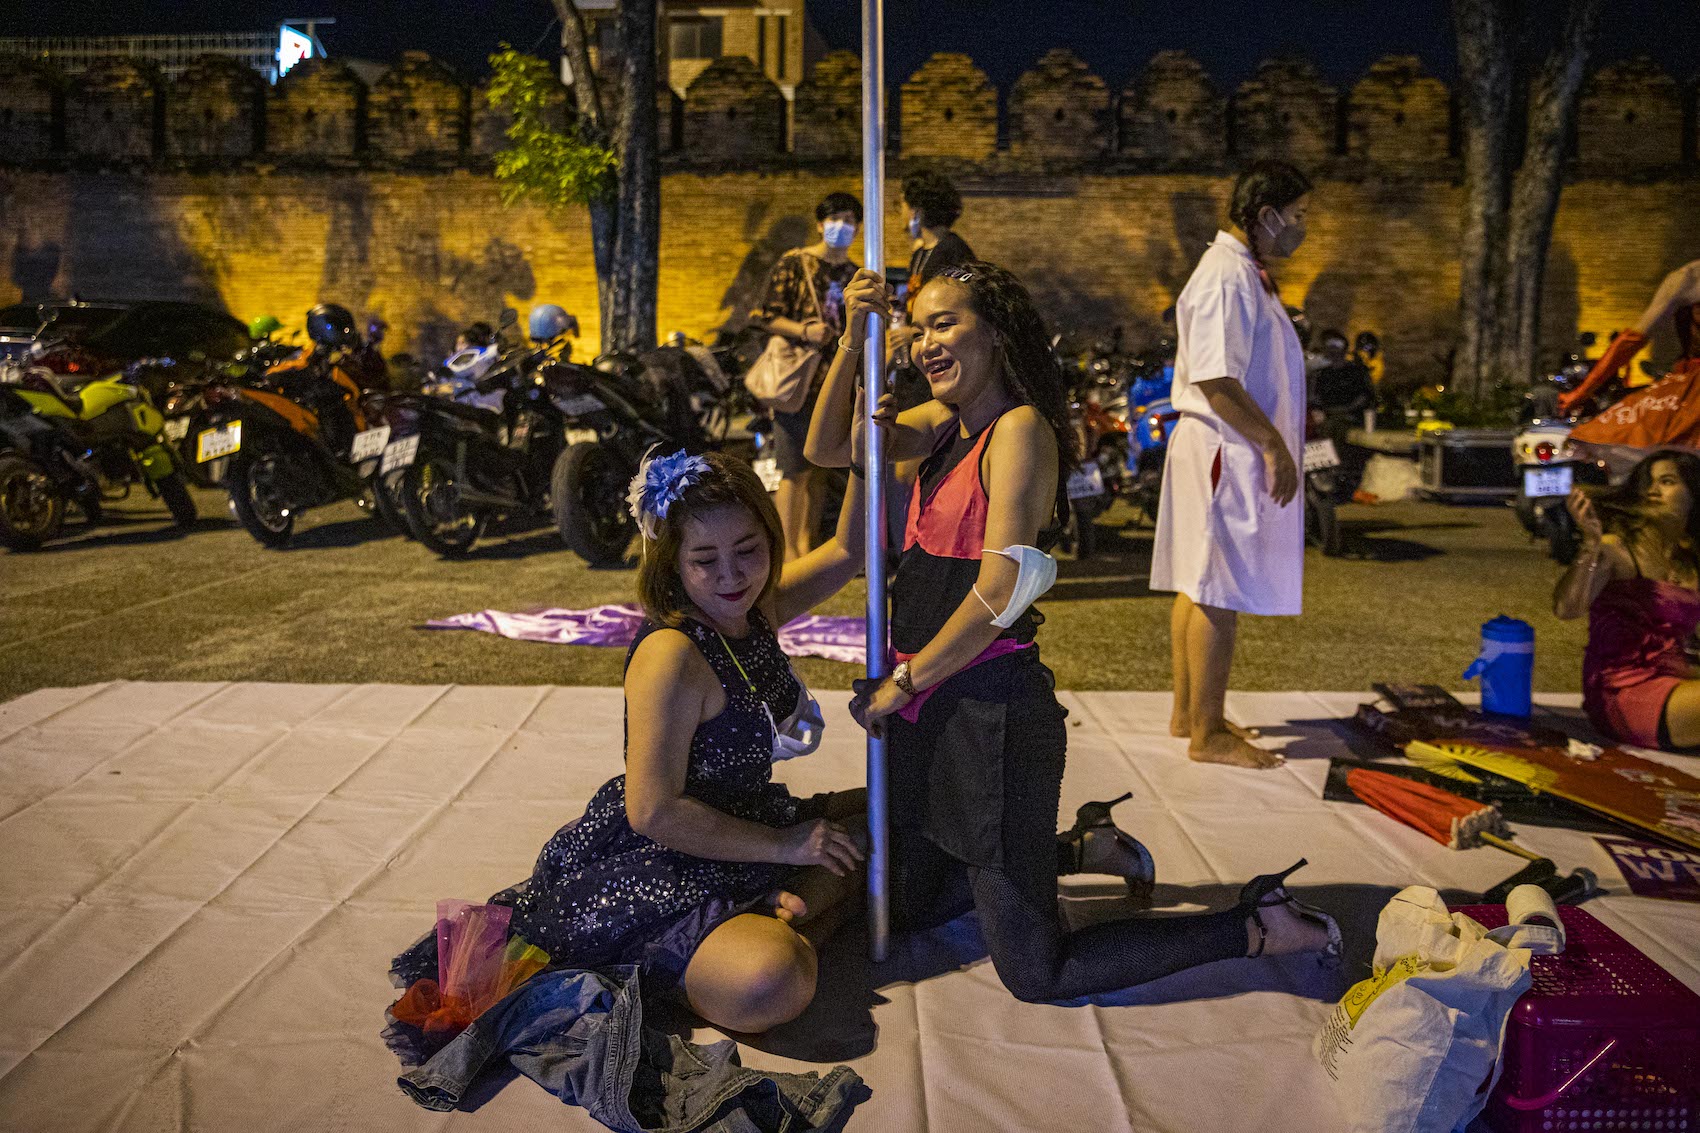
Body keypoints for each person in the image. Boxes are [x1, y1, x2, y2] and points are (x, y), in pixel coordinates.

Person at [828, 259, 1339, 1004]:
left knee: (1038, 970)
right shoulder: (942, 425)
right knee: (903, 906)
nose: (924, 342)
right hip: (929, 707)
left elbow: (1002, 593)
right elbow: (827, 451)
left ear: (997, 334)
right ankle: (1078, 848)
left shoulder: (1020, 430)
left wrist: (900, 682)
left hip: (992, 715)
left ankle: (1256, 924)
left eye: (946, 323)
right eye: (919, 326)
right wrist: (851, 340)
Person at [507, 449, 871, 1034]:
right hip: (662, 861)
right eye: (705, 559)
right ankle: (778, 921)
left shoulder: (755, 611)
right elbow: (652, 811)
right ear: (672, 561)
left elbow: (850, 551)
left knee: (892, 807)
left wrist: (860, 452)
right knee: (774, 981)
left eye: (748, 550)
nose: (731, 575)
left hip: (749, 823)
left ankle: (785, 909)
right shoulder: (672, 655)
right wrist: (786, 847)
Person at [1151, 160, 1313, 769]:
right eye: (1298, 217)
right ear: (1266, 216)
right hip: (1227, 445)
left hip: (1219, 443)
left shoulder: (1241, 272)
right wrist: (1273, 445)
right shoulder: (1227, 276)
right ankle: (1208, 731)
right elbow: (1219, 380)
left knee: (1200, 580)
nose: (1304, 229)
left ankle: (1189, 713)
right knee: (1217, 585)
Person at [1553, 450, 1700, 751]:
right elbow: (1566, 608)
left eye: (1667, 481)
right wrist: (1590, 545)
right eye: (1648, 483)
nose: (1652, 490)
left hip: (1679, 683)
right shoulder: (1617, 549)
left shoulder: (1690, 560)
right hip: (1624, 692)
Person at [750, 192, 863, 560]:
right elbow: (765, 315)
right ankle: (787, 554)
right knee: (792, 469)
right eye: (834, 219)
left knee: (820, 470)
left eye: (849, 220)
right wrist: (804, 331)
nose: (841, 227)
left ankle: (808, 548)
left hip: (834, 385)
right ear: (820, 223)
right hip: (799, 383)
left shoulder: (853, 275)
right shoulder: (796, 263)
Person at [1559, 259, 1700, 416]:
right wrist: (1581, 393)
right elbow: (1630, 343)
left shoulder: (1688, 277)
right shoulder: (1688, 277)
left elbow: (1630, 343)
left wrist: (1580, 393)